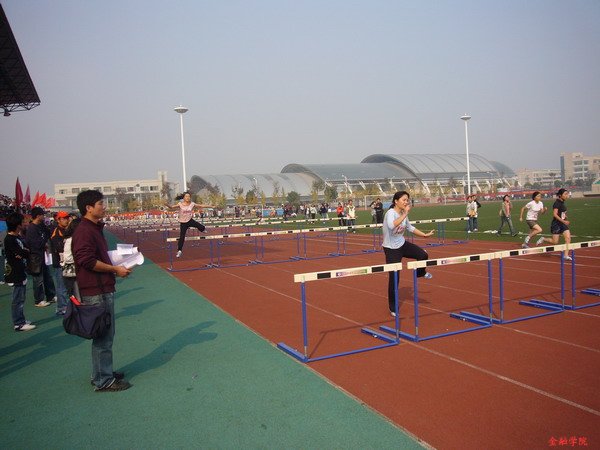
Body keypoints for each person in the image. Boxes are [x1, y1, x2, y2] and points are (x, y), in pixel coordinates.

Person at [72, 190, 132, 392]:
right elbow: (86, 260)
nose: (104, 207)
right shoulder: (84, 231)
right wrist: (115, 269)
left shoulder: (93, 228)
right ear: (88, 208)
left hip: (101, 287)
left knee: (104, 335)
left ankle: (101, 373)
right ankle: (103, 380)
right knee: (103, 336)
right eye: (100, 203)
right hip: (96, 290)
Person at [383, 191, 435, 316]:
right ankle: (393, 307)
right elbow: (391, 226)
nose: (406, 202)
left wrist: (424, 235)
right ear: (396, 201)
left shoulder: (403, 213)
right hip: (391, 249)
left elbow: (410, 227)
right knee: (394, 278)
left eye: (407, 200)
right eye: (404, 200)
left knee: (423, 255)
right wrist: (405, 213)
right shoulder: (390, 213)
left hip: (402, 244)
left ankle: (420, 273)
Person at [4, 212, 36, 332]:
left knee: (21, 298)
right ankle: (18, 323)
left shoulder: (16, 238)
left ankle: (20, 319)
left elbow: (24, 252)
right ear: (18, 225)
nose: (24, 224)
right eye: (22, 222)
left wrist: (23, 253)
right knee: (17, 299)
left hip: (20, 270)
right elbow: (22, 252)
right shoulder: (9, 239)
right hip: (15, 273)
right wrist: (23, 253)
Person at [165, 192, 212, 258]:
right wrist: (167, 205)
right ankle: (179, 251)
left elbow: (201, 206)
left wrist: (211, 206)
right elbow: (171, 207)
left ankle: (202, 229)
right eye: (186, 196)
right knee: (182, 237)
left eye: (189, 196)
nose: (188, 198)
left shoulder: (192, 204)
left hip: (190, 220)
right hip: (183, 223)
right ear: (184, 198)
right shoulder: (180, 204)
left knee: (200, 226)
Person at [25, 206, 56, 307]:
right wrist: (44, 244)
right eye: (42, 215)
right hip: (35, 257)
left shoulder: (40, 226)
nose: (44, 216)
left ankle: (51, 296)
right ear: (38, 216)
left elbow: (47, 234)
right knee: (38, 280)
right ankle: (38, 300)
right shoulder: (31, 228)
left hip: (42, 255)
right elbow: (34, 244)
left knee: (47, 277)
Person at [536, 188, 572, 260]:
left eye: (567, 194)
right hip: (556, 224)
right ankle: (543, 239)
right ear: (560, 195)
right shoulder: (557, 203)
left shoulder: (562, 202)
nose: (567, 195)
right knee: (555, 242)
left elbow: (561, 212)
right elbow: (555, 214)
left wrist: (565, 216)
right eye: (565, 194)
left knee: (568, 238)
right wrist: (564, 221)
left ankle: (565, 255)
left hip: (562, 224)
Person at [50, 211, 71, 315]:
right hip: (60, 263)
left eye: (67, 218)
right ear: (58, 220)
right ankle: (61, 307)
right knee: (61, 286)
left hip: (67, 261)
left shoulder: (67, 230)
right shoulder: (56, 232)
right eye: (64, 218)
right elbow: (59, 248)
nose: (66, 220)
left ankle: (66, 305)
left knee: (67, 286)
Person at [61, 217, 81, 299]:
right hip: (72, 272)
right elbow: (68, 258)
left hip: (74, 271)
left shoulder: (72, 238)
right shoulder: (70, 240)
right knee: (76, 296)